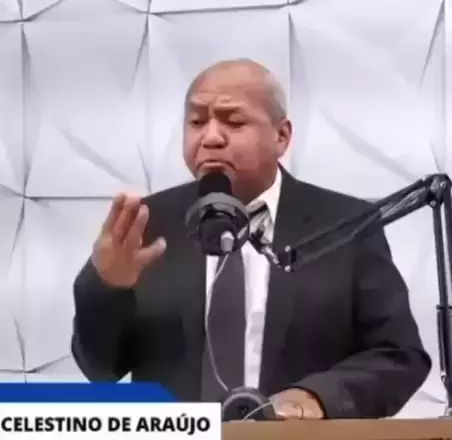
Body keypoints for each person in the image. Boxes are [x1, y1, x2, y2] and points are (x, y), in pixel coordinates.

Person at [71, 58, 431, 419]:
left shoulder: (346, 225)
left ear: (281, 136)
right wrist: (108, 287)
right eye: (196, 122)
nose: (211, 137)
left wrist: (317, 398)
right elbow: (100, 369)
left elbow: (399, 355)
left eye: (234, 121)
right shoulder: (146, 224)